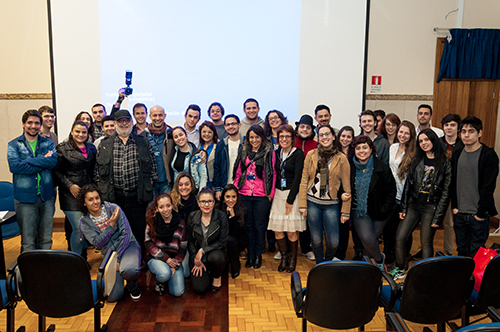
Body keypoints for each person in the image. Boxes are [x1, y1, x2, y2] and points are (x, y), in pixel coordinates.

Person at [392, 128, 451, 280]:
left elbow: (446, 193)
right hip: (413, 205)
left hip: (430, 208)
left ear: (434, 141)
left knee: (426, 242)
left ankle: (426, 275)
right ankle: (399, 267)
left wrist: (438, 217)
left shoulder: (445, 163)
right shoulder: (416, 160)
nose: (424, 143)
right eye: (421, 141)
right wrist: (404, 207)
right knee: (400, 237)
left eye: (427, 140)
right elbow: (407, 187)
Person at [95, 109, 158, 248]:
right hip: (114, 195)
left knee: (138, 228)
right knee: (115, 229)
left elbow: (153, 166)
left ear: (131, 122)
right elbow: (97, 171)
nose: (124, 124)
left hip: (137, 196)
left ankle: (139, 260)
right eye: (120, 121)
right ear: (116, 123)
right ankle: (118, 260)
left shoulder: (143, 141)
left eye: (126, 120)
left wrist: (148, 182)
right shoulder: (105, 143)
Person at [78, 184, 142, 301]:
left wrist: (117, 259)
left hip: (128, 246)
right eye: (90, 199)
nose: (95, 202)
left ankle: (133, 286)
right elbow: (98, 243)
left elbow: (126, 234)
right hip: (108, 254)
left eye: (97, 198)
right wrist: (111, 226)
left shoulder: (113, 208)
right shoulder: (84, 223)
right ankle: (122, 276)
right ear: (84, 202)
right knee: (112, 297)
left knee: (129, 269)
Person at [298, 125, 351, 264]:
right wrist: (302, 204)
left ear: (334, 136)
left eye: (327, 134)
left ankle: (328, 263)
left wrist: (345, 211)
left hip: (331, 205)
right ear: (318, 138)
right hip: (312, 202)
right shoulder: (311, 155)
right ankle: (320, 265)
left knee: (334, 241)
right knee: (315, 240)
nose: (325, 137)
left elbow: (347, 187)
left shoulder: (341, 158)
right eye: (321, 135)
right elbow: (304, 180)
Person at [8, 109, 58, 252]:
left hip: (47, 197)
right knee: (28, 241)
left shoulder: (48, 143)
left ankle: (45, 271)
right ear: (23, 124)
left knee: (46, 239)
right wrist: (42, 161)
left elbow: (53, 161)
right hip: (25, 199)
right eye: (30, 122)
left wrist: (28, 161)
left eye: (37, 123)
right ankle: (29, 273)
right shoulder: (14, 145)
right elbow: (15, 166)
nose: (33, 126)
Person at [451, 116, 499, 258]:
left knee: (476, 253)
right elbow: (453, 182)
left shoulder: (488, 155)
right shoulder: (458, 152)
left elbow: (488, 187)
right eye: (463, 131)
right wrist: (455, 207)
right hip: (460, 213)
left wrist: (480, 214)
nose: (466, 135)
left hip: (478, 215)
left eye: (471, 131)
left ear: (479, 133)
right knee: (461, 251)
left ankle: (476, 280)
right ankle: (464, 280)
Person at [348, 136, 396, 271]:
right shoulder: (349, 167)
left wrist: (385, 210)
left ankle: (369, 269)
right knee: (368, 238)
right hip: (359, 209)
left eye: (365, 147)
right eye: (358, 148)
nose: (361, 151)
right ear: (354, 150)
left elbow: (391, 191)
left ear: (371, 149)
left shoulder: (381, 167)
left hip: (380, 210)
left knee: (371, 240)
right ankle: (380, 261)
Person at [234, 125, 276, 269]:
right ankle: (250, 255)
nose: (254, 140)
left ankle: (258, 254)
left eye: (257, 137)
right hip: (244, 194)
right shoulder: (244, 150)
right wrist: (236, 186)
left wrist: (270, 193)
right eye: (251, 137)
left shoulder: (269, 152)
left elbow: (272, 173)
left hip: (261, 195)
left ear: (262, 137)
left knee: (259, 226)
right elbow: (238, 171)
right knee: (248, 226)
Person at [53, 121, 97, 256]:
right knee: (78, 228)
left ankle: (82, 257)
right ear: (72, 132)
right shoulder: (62, 148)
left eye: (84, 132)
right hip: (69, 194)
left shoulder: (91, 148)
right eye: (77, 131)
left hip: (87, 193)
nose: (80, 134)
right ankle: (75, 262)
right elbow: (56, 171)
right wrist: (69, 185)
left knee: (85, 228)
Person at [268, 125, 305, 273]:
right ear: (278, 138)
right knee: (278, 230)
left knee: (290, 231)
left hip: (292, 194)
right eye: (281, 136)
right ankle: (284, 257)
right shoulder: (275, 153)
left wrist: (290, 200)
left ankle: (293, 259)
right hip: (278, 194)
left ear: (292, 138)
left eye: (287, 136)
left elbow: (298, 178)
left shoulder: (298, 154)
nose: (284, 139)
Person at [383, 121, 416, 265]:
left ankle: (403, 257)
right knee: (389, 229)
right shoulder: (392, 147)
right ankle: (389, 255)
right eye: (401, 132)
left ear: (411, 135)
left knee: (403, 232)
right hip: (391, 195)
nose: (402, 135)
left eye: (406, 133)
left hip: (405, 198)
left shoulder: (414, 153)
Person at [187, 188, 228, 294]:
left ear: (214, 202)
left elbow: (222, 241)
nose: (206, 205)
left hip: (214, 252)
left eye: (209, 201)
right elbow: (190, 240)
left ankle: (217, 276)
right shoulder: (192, 216)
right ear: (198, 203)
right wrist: (195, 257)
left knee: (217, 257)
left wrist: (202, 250)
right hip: (198, 257)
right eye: (203, 201)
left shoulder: (221, 216)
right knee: (200, 289)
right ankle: (207, 271)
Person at [145, 193, 187, 297]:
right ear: (157, 208)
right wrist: (165, 258)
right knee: (164, 274)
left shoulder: (181, 223)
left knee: (178, 292)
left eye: (168, 205)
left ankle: (168, 276)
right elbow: (148, 243)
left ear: (172, 205)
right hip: (156, 258)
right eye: (161, 207)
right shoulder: (152, 222)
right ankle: (160, 280)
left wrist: (174, 265)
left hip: (174, 260)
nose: (166, 209)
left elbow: (183, 247)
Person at [335, 125, 364, 261]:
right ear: (339, 137)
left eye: (349, 136)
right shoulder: (334, 153)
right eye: (343, 136)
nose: (345, 139)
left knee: (357, 225)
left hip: (355, 194)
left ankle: (358, 252)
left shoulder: (356, 154)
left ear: (353, 139)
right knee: (342, 226)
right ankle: (340, 253)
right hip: (339, 195)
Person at [293, 115, 317, 261]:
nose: (304, 129)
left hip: (309, 186)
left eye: (307, 127)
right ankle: (288, 248)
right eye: (302, 126)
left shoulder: (315, 145)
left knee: (306, 218)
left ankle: (306, 248)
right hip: (290, 185)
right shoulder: (290, 142)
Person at [440, 114, 463, 255]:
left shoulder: (462, 145)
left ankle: (447, 252)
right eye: (446, 124)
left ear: (458, 128)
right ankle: (427, 251)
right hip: (437, 189)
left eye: (452, 125)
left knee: (449, 224)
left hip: (454, 189)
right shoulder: (437, 142)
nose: (449, 127)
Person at [170, 172, 200, 278]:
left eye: (187, 184)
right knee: (183, 273)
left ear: (191, 185)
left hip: (189, 240)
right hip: (174, 241)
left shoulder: (197, 201)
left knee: (186, 273)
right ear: (177, 186)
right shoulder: (171, 202)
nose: (184, 187)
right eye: (181, 184)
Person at [217, 184, 248, 279]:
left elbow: (238, 233)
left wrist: (233, 217)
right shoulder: (217, 209)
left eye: (233, 197)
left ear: (237, 197)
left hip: (238, 240)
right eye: (227, 197)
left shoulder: (243, 210)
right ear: (223, 197)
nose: (230, 200)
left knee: (231, 241)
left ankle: (235, 266)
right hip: (222, 238)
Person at [144, 105, 174, 197]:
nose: (158, 118)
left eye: (160, 115)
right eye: (155, 115)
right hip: (150, 182)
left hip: (166, 181)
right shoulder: (143, 135)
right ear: (150, 116)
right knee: (151, 210)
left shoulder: (171, 133)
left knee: (167, 209)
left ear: (164, 116)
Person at [214, 114, 245, 201]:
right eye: (228, 125)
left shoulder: (246, 143)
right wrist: (217, 189)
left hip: (243, 188)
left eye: (233, 124)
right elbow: (217, 167)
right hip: (225, 186)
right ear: (225, 127)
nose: (231, 126)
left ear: (239, 125)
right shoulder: (221, 145)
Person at [199, 121, 220, 189]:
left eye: (210, 132)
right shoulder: (198, 146)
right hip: (199, 182)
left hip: (212, 183)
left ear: (214, 133)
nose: (207, 134)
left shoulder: (218, 146)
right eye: (204, 132)